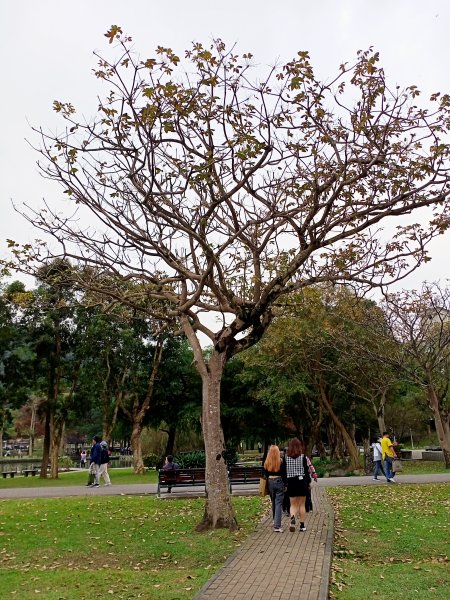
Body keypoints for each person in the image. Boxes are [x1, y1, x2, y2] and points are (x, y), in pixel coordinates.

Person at [285, 437, 311, 532]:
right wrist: (308, 482)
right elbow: (307, 471)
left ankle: (292, 518)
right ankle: (302, 525)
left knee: (293, 505)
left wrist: (286, 483)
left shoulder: (286, 458)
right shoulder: (303, 457)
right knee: (302, 505)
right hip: (301, 482)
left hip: (291, 482)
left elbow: (284, 472)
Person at [263, 445, 286, 533]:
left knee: (273, 502)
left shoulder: (267, 462)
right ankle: (277, 526)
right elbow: (284, 474)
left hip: (270, 482)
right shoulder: (280, 461)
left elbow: (265, 473)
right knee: (278, 503)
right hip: (279, 481)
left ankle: (274, 520)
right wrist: (286, 484)